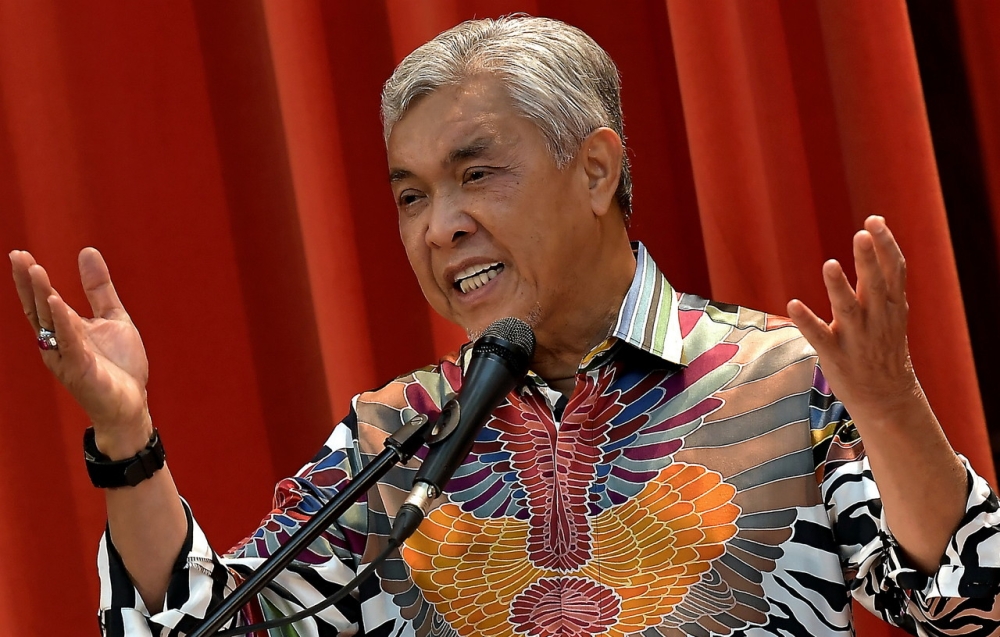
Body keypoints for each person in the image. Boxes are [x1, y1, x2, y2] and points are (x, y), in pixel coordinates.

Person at [10, 15, 1000, 637]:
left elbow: (964, 602)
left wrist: (893, 405)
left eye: (475, 172)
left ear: (596, 167)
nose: (440, 225)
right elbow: (207, 629)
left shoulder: (787, 381)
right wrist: (129, 445)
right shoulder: (391, 440)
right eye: (410, 195)